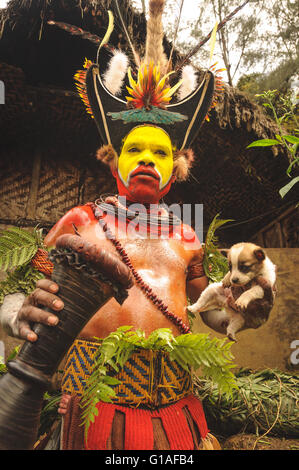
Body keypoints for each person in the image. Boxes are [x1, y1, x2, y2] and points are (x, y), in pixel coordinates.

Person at [0, 1, 274, 450]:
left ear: (175, 170)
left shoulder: (188, 238)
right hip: (91, 406)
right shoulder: (80, 221)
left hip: (177, 410)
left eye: (160, 153)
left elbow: (210, 312)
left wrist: (246, 315)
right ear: (114, 162)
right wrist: (15, 315)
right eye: (135, 149)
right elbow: (20, 295)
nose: (147, 157)